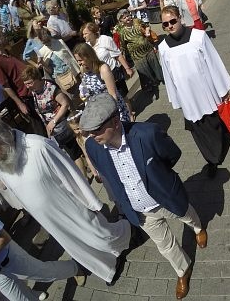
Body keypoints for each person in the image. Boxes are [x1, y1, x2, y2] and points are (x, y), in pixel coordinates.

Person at [82, 93, 207, 300]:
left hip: (166, 197)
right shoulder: (93, 146)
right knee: (164, 245)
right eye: (89, 130)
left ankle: (198, 227)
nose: (92, 135)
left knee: (187, 215)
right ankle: (182, 270)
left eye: (97, 129)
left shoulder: (148, 133)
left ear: (115, 121)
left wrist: (160, 178)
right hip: (139, 212)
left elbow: (172, 155)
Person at [0, 119, 131, 283]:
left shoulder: (38, 147)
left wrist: (92, 202)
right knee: (77, 247)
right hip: (49, 219)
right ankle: (108, 267)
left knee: (99, 235)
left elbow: (69, 173)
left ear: (4, 137)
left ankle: (128, 232)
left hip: (69, 207)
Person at [158, 6, 230, 178]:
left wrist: (222, 89)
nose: (170, 26)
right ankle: (212, 159)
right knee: (197, 129)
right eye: (165, 24)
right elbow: (168, 76)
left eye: (172, 21)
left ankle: (222, 144)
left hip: (205, 89)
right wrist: (176, 99)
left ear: (180, 18)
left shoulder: (198, 36)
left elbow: (214, 61)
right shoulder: (163, 47)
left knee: (215, 122)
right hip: (187, 96)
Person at [0, 214, 86, 301]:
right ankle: (33, 294)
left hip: (9, 259)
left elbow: (3, 238)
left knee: (46, 273)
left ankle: (75, 268)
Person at [20, 65, 88, 177]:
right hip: (55, 129)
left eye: (30, 83)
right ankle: (87, 169)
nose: (27, 86)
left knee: (74, 154)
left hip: (63, 125)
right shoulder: (35, 91)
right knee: (75, 151)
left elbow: (65, 104)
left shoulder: (50, 88)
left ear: (37, 79)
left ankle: (85, 179)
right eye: (25, 83)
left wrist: (54, 121)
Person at [73, 43, 131, 122]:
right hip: (100, 111)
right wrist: (83, 94)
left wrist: (111, 115)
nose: (79, 63)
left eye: (80, 60)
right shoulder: (83, 70)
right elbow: (86, 89)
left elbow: (113, 95)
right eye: (77, 61)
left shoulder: (103, 69)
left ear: (89, 56)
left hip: (113, 111)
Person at [115, 9, 163, 97]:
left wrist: (147, 32)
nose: (127, 18)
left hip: (148, 49)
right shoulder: (122, 32)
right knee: (143, 71)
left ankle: (160, 79)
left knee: (154, 65)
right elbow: (123, 46)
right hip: (136, 55)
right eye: (124, 18)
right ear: (121, 21)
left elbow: (147, 26)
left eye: (128, 15)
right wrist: (124, 58)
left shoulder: (137, 22)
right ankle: (148, 85)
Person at [81, 22, 133, 98]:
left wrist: (127, 69)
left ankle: (129, 110)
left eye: (86, 33)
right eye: (83, 34)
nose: (84, 36)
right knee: (110, 98)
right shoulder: (87, 46)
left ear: (93, 32)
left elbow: (117, 54)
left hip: (113, 72)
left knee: (123, 96)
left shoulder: (105, 39)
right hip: (100, 77)